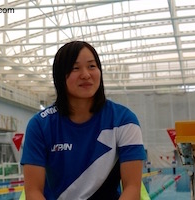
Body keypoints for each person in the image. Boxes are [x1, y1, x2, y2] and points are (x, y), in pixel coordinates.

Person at [20, 41, 146, 200]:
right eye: (75, 68)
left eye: (92, 66)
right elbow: (33, 192)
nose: (86, 74)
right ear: (60, 76)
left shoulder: (124, 120)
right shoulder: (40, 125)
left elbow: (132, 188)